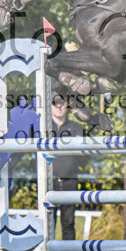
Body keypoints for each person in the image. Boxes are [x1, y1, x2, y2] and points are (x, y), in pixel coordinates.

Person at [48, 94, 87, 241]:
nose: (59, 106)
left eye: (62, 103)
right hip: (49, 181)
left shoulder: (76, 127)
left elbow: (83, 154)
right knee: (48, 223)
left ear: (67, 106)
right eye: (55, 103)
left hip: (70, 181)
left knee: (68, 223)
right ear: (49, 106)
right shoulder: (44, 127)